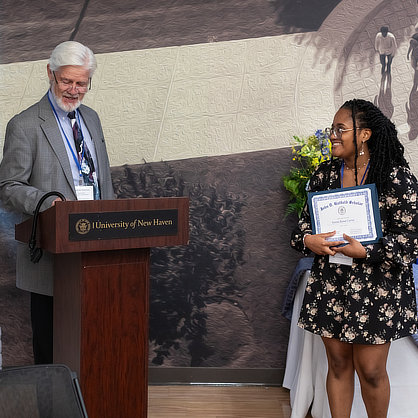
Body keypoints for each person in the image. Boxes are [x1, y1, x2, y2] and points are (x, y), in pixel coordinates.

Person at [290, 99, 418, 418]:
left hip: (377, 287)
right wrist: (310, 240)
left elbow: (411, 241)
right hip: (331, 283)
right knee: (337, 365)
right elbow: (301, 228)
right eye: (333, 129)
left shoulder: (395, 177)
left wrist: (367, 251)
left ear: (364, 135)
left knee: (372, 371)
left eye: (340, 129)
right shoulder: (324, 175)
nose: (333, 135)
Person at [0, 41, 115, 364]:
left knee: (95, 342)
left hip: (97, 251)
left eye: (82, 83)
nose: (74, 90)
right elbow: (7, 187)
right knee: (52, 349)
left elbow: (101, 179)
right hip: (52, 254)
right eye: (67, 81)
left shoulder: (91, 118)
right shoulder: (23, 126)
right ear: (50, 73)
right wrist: (48, 202)